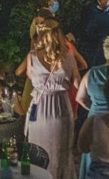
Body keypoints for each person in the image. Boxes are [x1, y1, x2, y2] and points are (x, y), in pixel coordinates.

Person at [20, 17, 83, 179]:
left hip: (39, 108)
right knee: (62, 154)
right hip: (61, 107)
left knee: (38, 151)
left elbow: (30, 77)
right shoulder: (68, 58)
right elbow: (78, 83)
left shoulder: (32, 56)